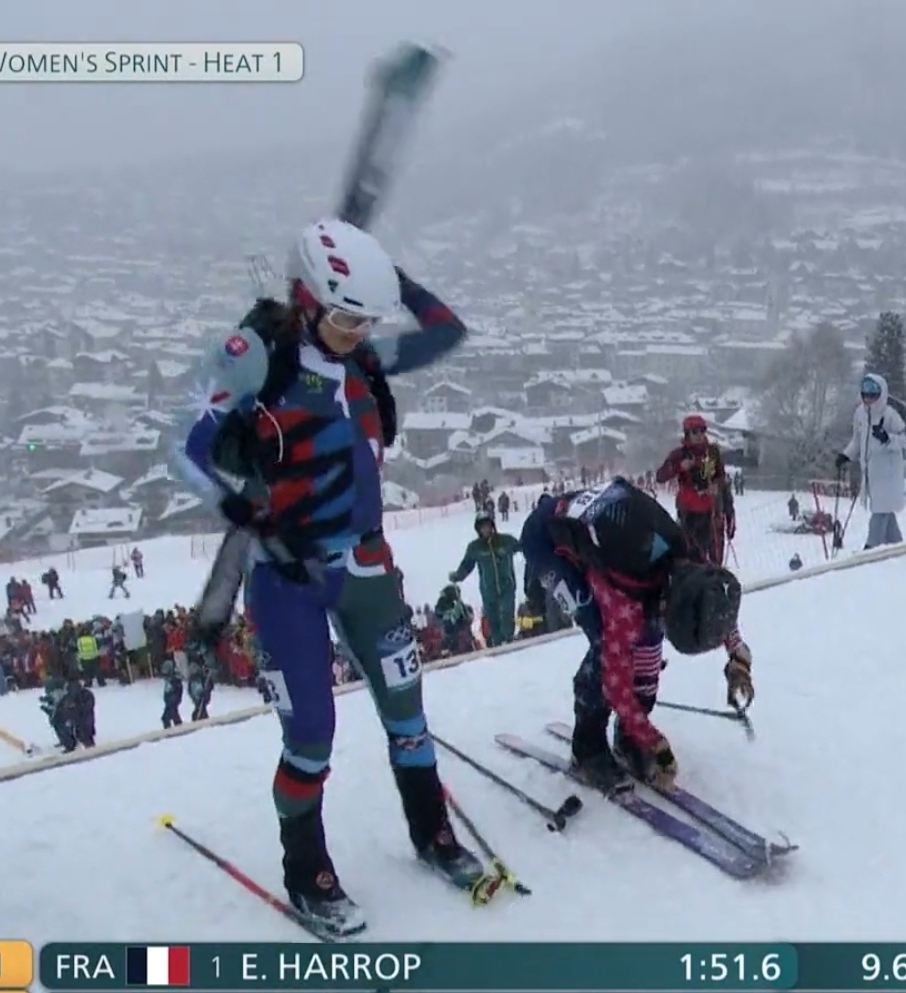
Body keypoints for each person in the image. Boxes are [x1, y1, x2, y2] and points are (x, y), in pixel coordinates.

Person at [173, 216, 474, 936]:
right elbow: (184, 447)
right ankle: (307, 871)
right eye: (344, 319)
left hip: (365, 564)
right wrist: (233, 503)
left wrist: (388, 278)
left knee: (407, 711)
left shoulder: (362, 357)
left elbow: (445, 333)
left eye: (367, 320)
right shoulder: (258, 359)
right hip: (288, 575)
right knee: (311, 732)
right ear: (306, 300)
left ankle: (432, 832)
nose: (357, 333)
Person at [519, 480, 755, 793]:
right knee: (604, 640)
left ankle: (629, 735)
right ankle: (587, 747)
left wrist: (738, 655)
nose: (660, 628)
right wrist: (654, 742)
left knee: (646, 639)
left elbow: (712, 602)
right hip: (546, 541)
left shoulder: (690, 559)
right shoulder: (624, 600)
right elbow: (615, 683)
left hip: (615, 538)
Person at [836, 373, 906, 549]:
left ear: (881, 394)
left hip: (888, 473)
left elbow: (905, 443)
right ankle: (895, 543)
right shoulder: (860, 414)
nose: (868, 399)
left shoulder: (890, 415)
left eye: (873, 395)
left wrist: (887, 438)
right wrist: (846, 455)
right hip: (871, 473)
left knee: (880, 510)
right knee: (883, 509)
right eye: (865, 394)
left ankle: (871, 545)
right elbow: (857, 440)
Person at [657, 414, 734, 559]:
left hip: (712, 512)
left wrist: (716, 486)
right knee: (693, 558)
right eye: (694, 432)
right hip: (689, 515)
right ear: (687, 434)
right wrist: (679, 467)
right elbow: (660, 477)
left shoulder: (712, 452)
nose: (699, 435)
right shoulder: (679, 454)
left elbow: (721, 477)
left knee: (715, 558)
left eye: (702, 431)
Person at [449, 513, 522, 647]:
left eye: (487, 526)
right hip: (488, 589)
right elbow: (467, 565)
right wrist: (457, 576)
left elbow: (523, 546)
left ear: (492, 526)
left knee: (507, 612)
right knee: (492, 618)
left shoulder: (506, 541)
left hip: (507, 585)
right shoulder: (475, 548)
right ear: (478, 529)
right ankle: (497, 642)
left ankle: (509, 639)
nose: (485, 529)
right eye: (482, 527)